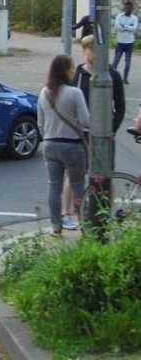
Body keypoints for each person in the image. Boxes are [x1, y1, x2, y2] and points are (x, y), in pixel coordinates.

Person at [60, 35, 126, 229]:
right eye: (90, 49)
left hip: (104, 135)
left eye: (97, 49)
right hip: (80, 134)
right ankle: (66, 213)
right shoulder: (76, 75)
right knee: (73, 174)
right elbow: (67, 104)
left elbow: (120, 106)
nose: (94, 54)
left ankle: (109, 212)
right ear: (84, 51)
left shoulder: (112, 75)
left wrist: (112, 130)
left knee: (106, 174)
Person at [38, 55, 90, 235]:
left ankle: (56, 226)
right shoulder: (75, 93)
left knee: (54, 186)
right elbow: (85, 121)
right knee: (77, 185)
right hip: (72, 145)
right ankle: (83, 224)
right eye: (72, 68)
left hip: (50, 144)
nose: (74, 71)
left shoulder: (44, 92)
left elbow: (40, 123)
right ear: (66, 70)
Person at [112, 0, 138, 84]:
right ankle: (112, 77)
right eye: (127, 8)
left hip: (130, 42)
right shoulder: (119, 16)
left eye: (130, 8)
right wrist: (128, 27)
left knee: (128, 62)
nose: (128, 10)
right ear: (124, 8)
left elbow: (134, 29)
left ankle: (125, 78)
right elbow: (117, 27)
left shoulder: (134, 18)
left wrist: (124, 26)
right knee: (116, 60)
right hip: (120, 41)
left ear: (132, 9)